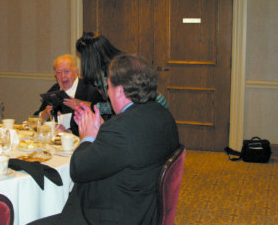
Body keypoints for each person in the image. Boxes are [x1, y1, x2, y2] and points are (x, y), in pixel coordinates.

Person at [30, 54, 180, 225]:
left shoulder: (121, 129)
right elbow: (127, 150)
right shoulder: (163, 116)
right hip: (146, 205)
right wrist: (102, 132)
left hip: (119, 213)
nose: (107, 93)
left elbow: (78, 169)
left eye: (109, 87)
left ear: (120, 90)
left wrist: (87, 137)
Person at [66, 32, 169, 119]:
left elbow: (117, 104)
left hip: (150, 111)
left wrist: (86, 105)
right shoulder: (113, 66)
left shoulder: (116, 71)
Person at [33, 54, 103, 136]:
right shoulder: (54, 90)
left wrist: (70, 132)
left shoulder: (89, 91)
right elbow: (34, 120)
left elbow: (100, 123)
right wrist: (44, 115)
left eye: (66, 71)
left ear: (76, 72)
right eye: (59, 73)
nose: (63, 76)